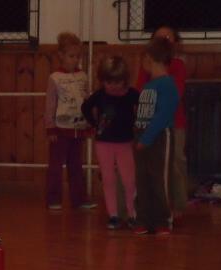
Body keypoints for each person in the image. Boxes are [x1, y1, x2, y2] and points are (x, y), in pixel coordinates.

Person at [137, 26, 187, 227]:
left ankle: (171, 212)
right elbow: (140, 95)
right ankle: (148, 215)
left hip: (166, 129)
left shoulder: (171, 75)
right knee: (147, 174)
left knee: (170, 168)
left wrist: (148, 136)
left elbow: (167, 107)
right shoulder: (148, 77)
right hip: (146, 131)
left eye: (167, 37)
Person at [81, 55, 139, 230]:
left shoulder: (132, 94)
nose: (113, 86)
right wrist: (94, 124)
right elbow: (85, 107)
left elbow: (144, 108)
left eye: (117, 82)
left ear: (124, 80)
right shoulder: (100, 95)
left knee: (129, 179)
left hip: (125, 143)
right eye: (108, 82)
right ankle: (113, 214)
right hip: (104, 143)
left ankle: (132, 214)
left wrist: (137, 125)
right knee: (108, 179)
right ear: (102, 81)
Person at [44, 31, 96, 210]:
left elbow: (87, 102)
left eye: (77, 56)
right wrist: (50, 128)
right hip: (60, 130)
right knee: (55, 166)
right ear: (61, 55)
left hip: (79, 128)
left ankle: (78, 199)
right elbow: (50, 105)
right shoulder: (55, 78)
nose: (75, 60)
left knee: (76, 165)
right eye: (71, 56)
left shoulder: (83, 77)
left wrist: (90, 123)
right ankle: (53, 199)